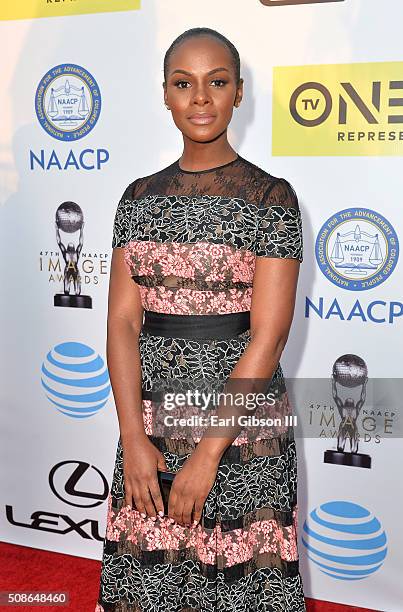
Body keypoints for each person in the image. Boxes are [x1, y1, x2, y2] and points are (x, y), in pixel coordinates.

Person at [95, 26, 305, 612]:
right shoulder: (137, 198)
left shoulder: (271, 198)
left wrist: (210, 453)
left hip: (241, 427)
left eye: (217, 82)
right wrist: (134, 438)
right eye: (184, 84)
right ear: (164, 94)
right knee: (148, 581)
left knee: (239, 587)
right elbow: (121, 325)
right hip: (154, 419)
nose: (201, 99)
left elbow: (269, 336)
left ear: (239, 93)